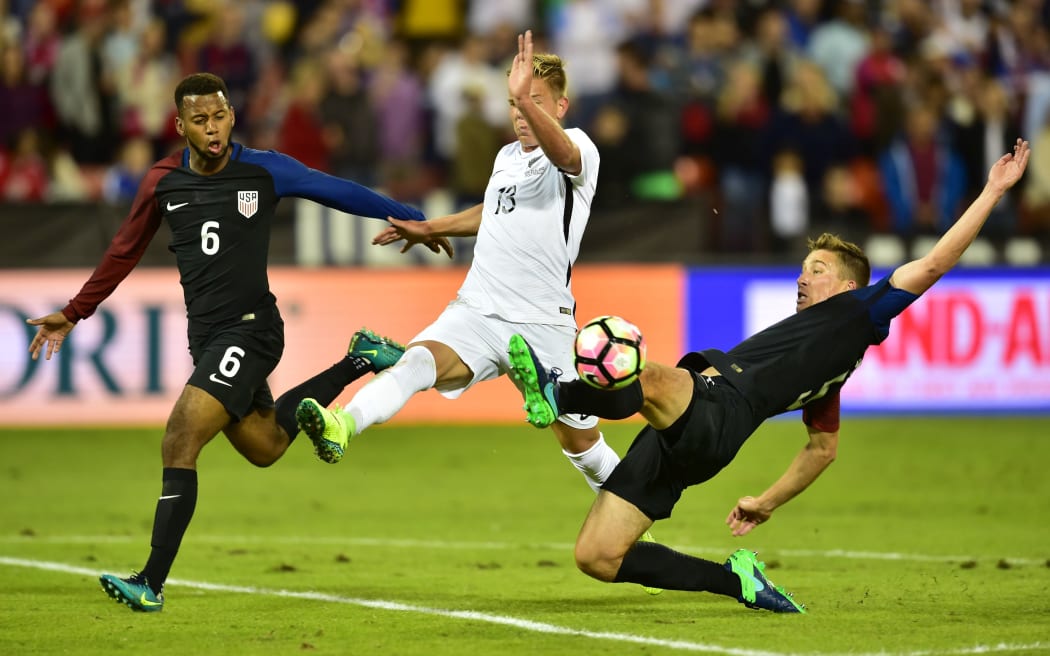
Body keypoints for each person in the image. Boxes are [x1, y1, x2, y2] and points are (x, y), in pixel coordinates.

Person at [506, 139, 1031, 613]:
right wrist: (765, 503)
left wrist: (992, 190)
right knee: (597, 556)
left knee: (649, 380)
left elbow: (936, 263)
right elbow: (823, 450)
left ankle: (560, 392)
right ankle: (738, 582)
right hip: (693, 441)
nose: (803, 277)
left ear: (851, 287)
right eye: (803, 268)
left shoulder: (861, 312)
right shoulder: (834, 368)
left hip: (721, 408)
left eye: (818, 269)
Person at [25, 72, 450, 613]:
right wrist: (73, 312)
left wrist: (420, 220)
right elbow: (123, 251)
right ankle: (360, 358)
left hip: (251, 329)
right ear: (180, 126)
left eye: (220, 116)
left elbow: (337, 189)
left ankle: (150, 582)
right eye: (199, 121)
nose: (213, 129)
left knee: (180, 439)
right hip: (206, 337)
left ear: (231, 116)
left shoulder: (264, 169)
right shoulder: (162, 181)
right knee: (266, 446)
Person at [295, 31, 660, 595]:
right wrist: (429, 226)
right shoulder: (506, 158)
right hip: (479, 308)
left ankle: (638, 522)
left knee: (581, 445)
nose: (521, 114)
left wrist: (528, 102)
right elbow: (492, 211)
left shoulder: (578, 150)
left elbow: (559, 152)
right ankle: (344, 424)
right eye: (515, 104)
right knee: (416, 361)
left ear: (560, 106)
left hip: (543, 323)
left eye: (535, 102)